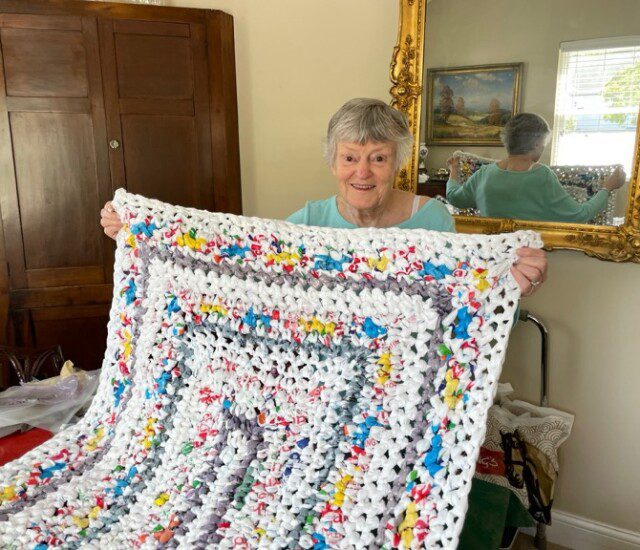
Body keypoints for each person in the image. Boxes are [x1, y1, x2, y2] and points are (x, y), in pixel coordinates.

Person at [101, 98, 547, 295]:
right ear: (332, 162)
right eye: (350, 157)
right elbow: (234, 261)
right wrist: (140, 231)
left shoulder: (434, 221)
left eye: (378, 158)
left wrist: (515, 277)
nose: (363, 172)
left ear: (397, 163)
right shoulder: (306, 223)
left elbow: (466, 293)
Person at [445, 112, 625, 223]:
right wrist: (607, 187)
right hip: (530, 259)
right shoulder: (542, 176)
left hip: (493, 257)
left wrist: (454, 170)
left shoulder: (484, 174)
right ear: (537, 144)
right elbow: (579, 215)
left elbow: (454, 197)